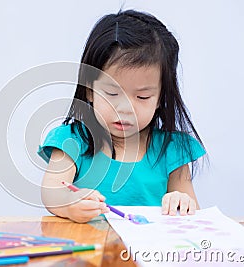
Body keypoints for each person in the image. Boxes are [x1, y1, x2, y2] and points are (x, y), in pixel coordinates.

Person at [37, 9, 207, 223]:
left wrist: (181, 201)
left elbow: (193, 212)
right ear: (89, 89)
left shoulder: (172, 149)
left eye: (142, 96)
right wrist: (70, 203)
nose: (125, 109)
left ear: (160, 98)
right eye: (111, 94)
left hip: (148, 252)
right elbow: (52, 192)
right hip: (91, 252)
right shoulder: (71, 140)